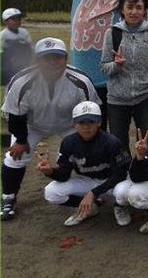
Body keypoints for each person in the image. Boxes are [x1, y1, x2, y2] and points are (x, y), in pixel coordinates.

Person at [1, 37, 100, 221]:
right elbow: (15, 114)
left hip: (69, 124)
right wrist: (21, 140)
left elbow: (91, 111)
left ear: (66, 58)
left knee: (84, 154)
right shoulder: (22, 81)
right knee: (15, 157)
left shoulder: (80, 80)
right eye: (47, 58)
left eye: (57, 57)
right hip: (32, 125)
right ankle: (9, 197)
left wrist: (90, 140)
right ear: (37, 60)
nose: (53, 62)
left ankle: (93, 192)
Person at [37, 101, 131, 227]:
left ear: (99, 122)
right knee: (51, 192)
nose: (86, 127)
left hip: (113, 182)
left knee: (124, 192)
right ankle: (90, 208)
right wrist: (50, 171)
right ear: (74, 124)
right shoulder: (68, 142)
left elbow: (120, 174)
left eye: (91, 122)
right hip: (88, 180)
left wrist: (93, 193)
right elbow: (64, 175)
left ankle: (120, 206)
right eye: (81, 122)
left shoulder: (112, 142)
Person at [100, 0, 148, 149]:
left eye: (138, 7)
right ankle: (124, 166)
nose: (134, 12)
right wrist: (116, 65)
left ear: (144, 11)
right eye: (129, 7)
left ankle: (144, 165)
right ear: (122, 10)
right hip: (117, 99)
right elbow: (103, 67)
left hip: (146, 97)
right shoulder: (112, 33)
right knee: (118, 145)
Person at [0, 8, 32, 86]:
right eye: (14, 19)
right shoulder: (3, 35)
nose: (17, 21)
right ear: (5, 21)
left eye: (19, 19)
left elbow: (30, 48)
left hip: (23, 63)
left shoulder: (24, 32)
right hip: (9, 66)